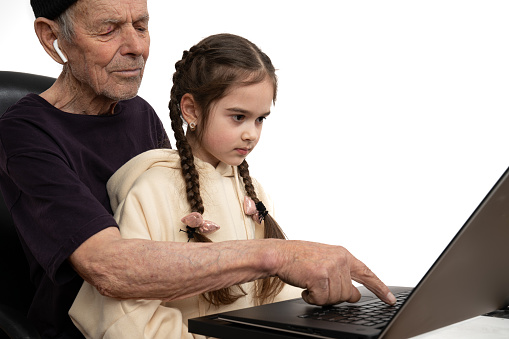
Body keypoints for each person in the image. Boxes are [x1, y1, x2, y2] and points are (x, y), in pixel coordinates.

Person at [0, 1, 395, 338]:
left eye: (142, 25)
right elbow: (109, 268)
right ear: (52, 37)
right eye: (108, 29)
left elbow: (177, 240)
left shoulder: (138, 114)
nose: (137, 47)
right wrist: (277, 256)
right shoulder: (23, 134)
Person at [69, 33, 306, 338]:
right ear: (192, 110)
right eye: (238, 117)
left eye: (260, 119)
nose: (251, 134)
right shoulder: (153, 189)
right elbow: (126, 315)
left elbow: (273, 291)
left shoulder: (254, 193)